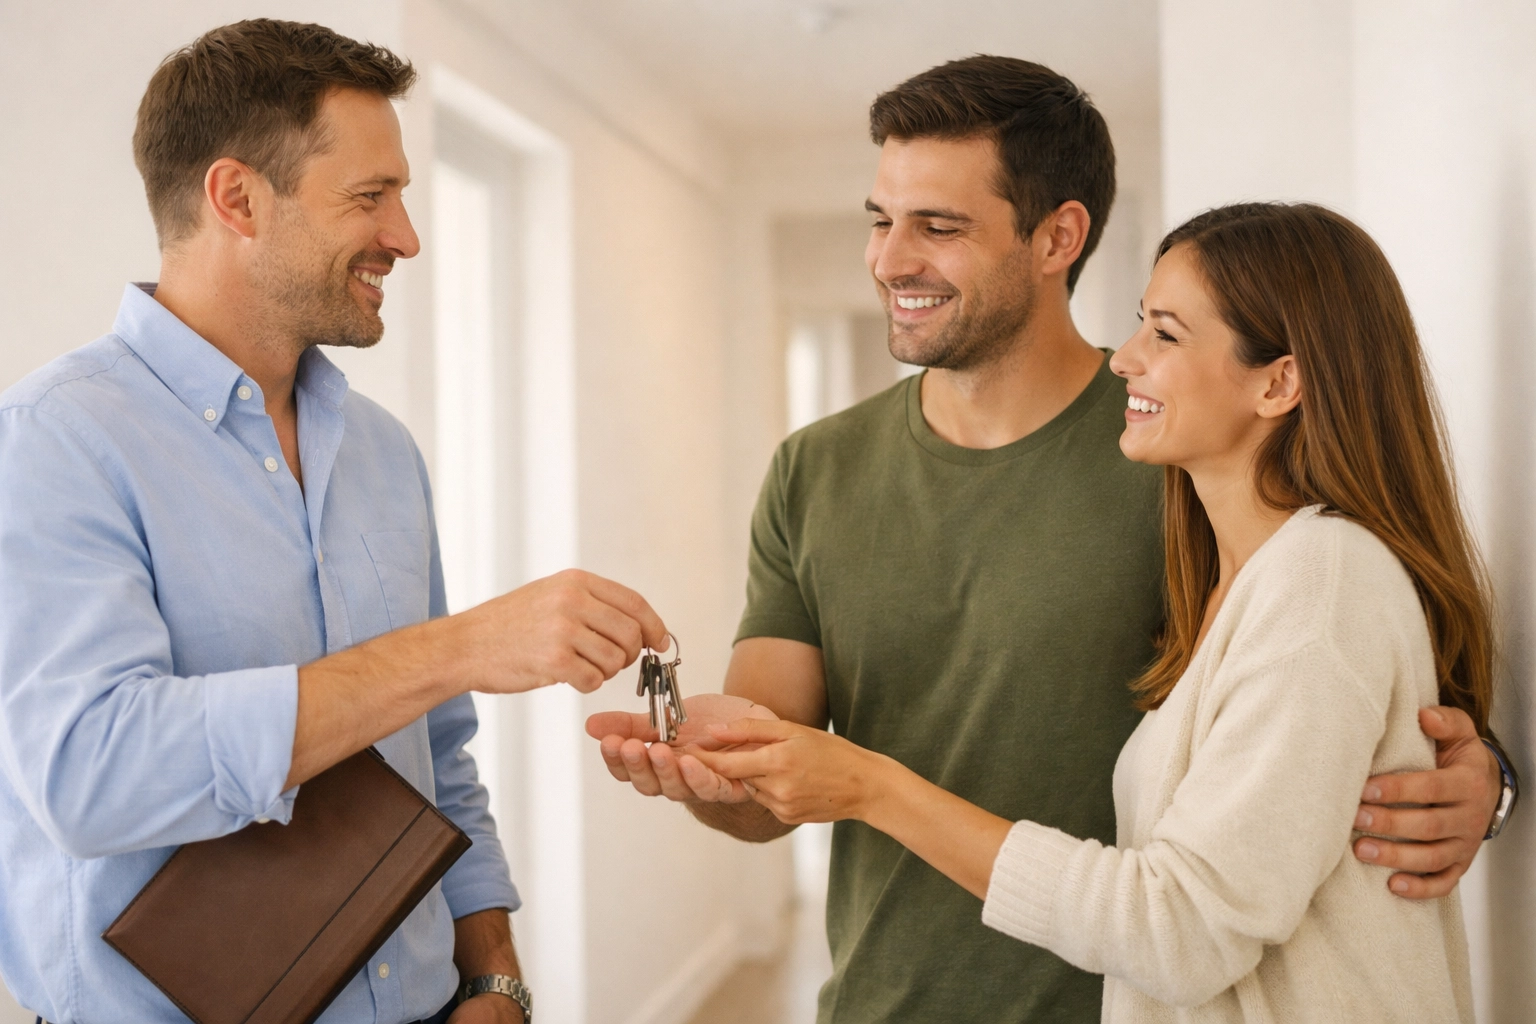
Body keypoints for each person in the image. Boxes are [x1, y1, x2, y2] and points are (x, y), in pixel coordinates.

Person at [587, 57, 1513, 1023]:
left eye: (938, 227)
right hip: (886, 1002)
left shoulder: (1186, 448)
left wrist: (1483, 783)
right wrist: (702, 767)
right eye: (881, 219)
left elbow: (1372, 697)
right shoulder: (813, 471)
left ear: (1057, 236)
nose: (891, 258)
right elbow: (771, 770)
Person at [0, 20, 667, 1024]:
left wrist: (494, 976)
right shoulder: (52, 440)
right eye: (371, 196)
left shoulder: (383, 451)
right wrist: (458, 646)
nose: (405, 236)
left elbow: (438, 754)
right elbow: (92, 773)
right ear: (237, 199)